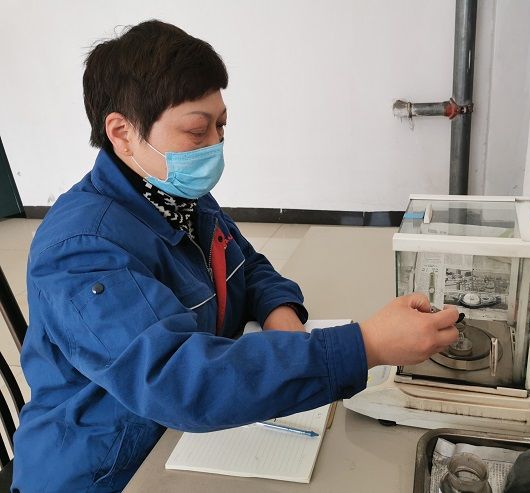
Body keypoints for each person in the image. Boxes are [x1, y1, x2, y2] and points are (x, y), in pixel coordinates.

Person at [10, 20, 459, 492]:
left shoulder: (177, 197)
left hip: (177, 438)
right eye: (197, 131)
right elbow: (179, 380)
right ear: (122, 132)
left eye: (221, 126)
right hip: (105, 471)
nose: (216, 145)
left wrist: (279, 311)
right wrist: (365, 346)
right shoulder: (81, 250)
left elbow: (246, 263)